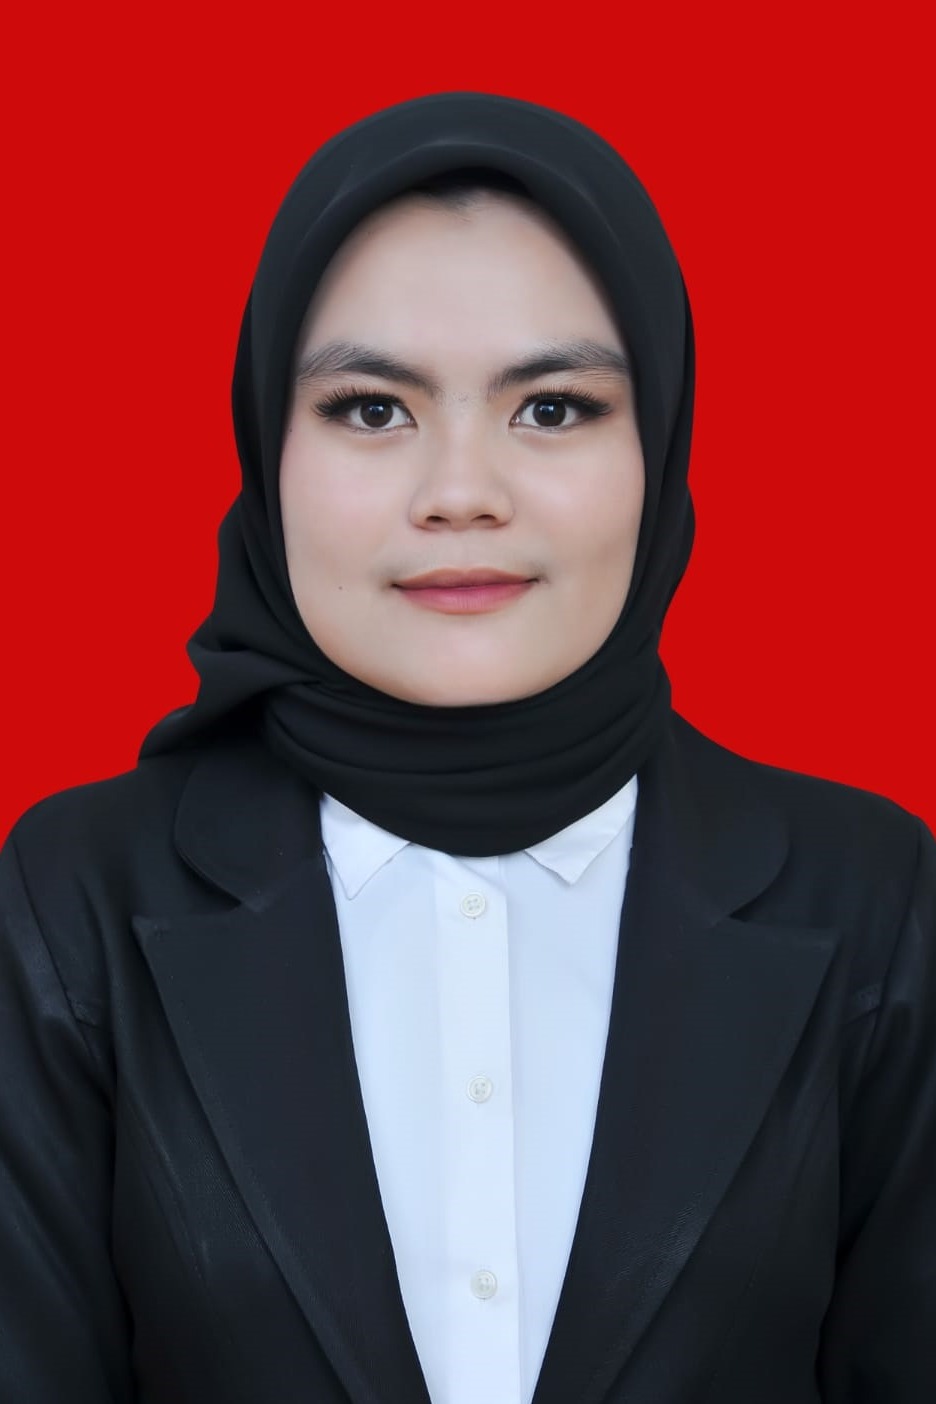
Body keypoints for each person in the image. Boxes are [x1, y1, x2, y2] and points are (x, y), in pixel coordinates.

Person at [0, 91, 933, 1404]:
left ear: (660, 443)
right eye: (371, 409)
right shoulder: (76, 899)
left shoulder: (871, 897)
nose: (460, 492)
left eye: (551, 408)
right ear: (267, 449)